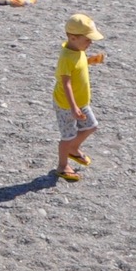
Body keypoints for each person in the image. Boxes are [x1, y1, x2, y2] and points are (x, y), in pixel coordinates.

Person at [50, 13, 101, 181]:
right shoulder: (66, 57)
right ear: (73, 37)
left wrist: (90, 61)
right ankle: (62, 165)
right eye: (87, 39)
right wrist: (73, 107)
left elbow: (78, 64)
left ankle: (73, 148)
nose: (90, 43)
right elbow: (66, 84)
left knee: (92, 126)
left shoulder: (77, 50)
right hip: (67, 104)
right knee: (67, 136)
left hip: (81, 101)